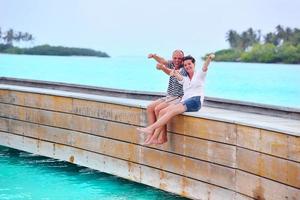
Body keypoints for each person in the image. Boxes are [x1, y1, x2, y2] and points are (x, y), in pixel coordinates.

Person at [138, 54, 215, 143]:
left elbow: (205, 66)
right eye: (185, 65)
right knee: (163, 111)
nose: (187, 66)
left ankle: (151, 128)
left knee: (172, 111)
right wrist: (169, 70)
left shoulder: (199, 75)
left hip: (195, 101)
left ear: (194, 64)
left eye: (189, 64)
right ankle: (155, 137)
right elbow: (176, 74)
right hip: (185, 101)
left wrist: (209, 58)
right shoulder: (185, 78)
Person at [145, 50, 187, 144]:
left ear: (183, 59)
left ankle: (162, 137)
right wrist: (154, 57)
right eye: (175, 58)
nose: (177, 60)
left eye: (179, 58)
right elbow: (163, 61)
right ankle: (150, 134)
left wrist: (162, 68)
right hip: (169, 96)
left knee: (158, 109)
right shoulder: (172, 63)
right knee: (150, 107)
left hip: (178, 97)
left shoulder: (184, 68)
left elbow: (170, 73)